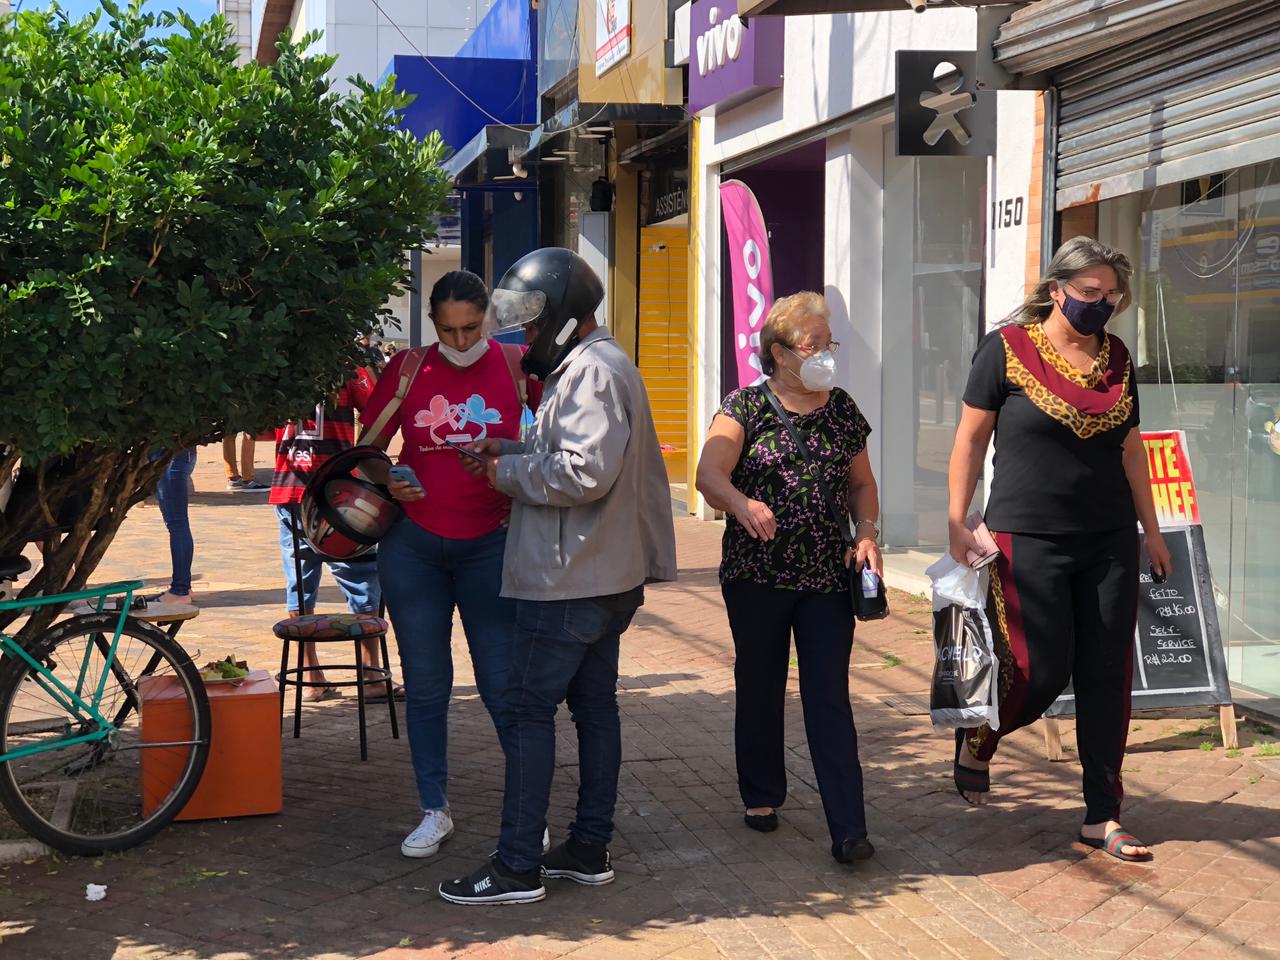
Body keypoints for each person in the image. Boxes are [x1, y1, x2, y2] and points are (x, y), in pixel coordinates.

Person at [439, 247, 676, 905]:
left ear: (567, 317)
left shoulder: (593, 373)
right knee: (595, 709)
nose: (529, 338)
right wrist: (510, 448)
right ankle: (587, 849)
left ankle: (516, 866)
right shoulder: (590, 365)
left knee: (525, 712)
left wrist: (501, 473)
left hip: (571, 577)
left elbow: (582, 473)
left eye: (535, 325)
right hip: (600, 572)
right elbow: (577, 453)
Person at [946, 236, 1170, 863]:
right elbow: (968, 441)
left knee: (1106, 678)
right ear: (1057, 291)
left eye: (1111, 296)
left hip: (1108, 539)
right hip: (1026, 535)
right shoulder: (1006, 351)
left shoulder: (1119, 358)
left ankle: (1103, 815)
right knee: (1036, 671)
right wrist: (957, 521)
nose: (1101, 305)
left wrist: (1151, 531)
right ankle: (979, 737)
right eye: (1089, 293)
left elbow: (1131, 449)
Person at [359, 270, 541, 860]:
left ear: (489, 316)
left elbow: (557, 446)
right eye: (448, 330)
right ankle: (433, 808)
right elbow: (366, 454)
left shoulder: (518, 366)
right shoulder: (409, 368)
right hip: (414, 549)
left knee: (503, 686)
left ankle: (526, 812)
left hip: (493, 543)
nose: (460, 341)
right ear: (431, 323)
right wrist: (392, 479)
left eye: (471, 328)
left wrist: (510, 466)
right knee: (429, 686)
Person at [694, 291, 881, 866]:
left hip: (828, 576)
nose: (826, 355)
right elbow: (708, 473)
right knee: (761, 682)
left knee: (829, 696)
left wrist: (868, 532)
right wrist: (742, 504)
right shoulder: (743, 407)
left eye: (830, 344)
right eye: (813, 345)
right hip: (758, 575)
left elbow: (862, 485)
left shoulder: (842, 408)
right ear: (779, 352)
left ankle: (848, 827)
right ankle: (761, 794)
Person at [269, 365, 386, 701]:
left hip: (292, 489)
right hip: (338, 491)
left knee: (301, 582)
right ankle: (371, 673)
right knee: (361, 576)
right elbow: (376, 411)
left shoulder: (274, 361)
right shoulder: (350, 365)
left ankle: (312, 674)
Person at [150, 449, 198, 608]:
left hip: (170, 454)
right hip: (179, 453)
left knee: (177, 524)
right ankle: (184, 586)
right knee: (178, 524)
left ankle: (180, 590)